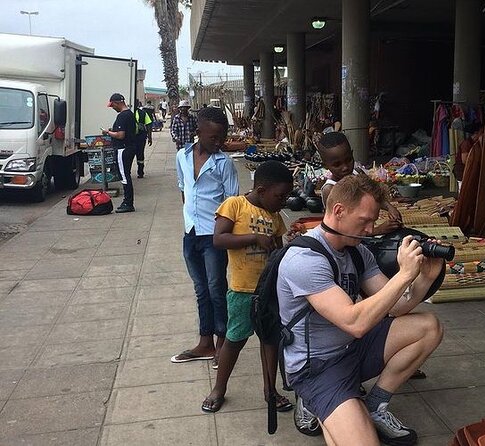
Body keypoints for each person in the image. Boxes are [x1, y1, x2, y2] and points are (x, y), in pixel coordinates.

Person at [278, 174, 444, 446]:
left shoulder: (357, 251)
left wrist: (425, 277)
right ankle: (318, 401)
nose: (370, 229)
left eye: (373, 221)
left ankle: (374, 405)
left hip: (352, 350)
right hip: (319, 367)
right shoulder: (303, 259)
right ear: (339, 211)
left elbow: (397, 306)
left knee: (428, 326)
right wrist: (404, 275)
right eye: (365, 220)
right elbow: (354, 322)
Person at [201, 160, 294, 414]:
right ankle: (219, 388)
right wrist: (253, 237)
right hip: (242, 290)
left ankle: (270, 390)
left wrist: (289, 247)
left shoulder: (274, 216)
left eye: (287, 196)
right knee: (235, 340)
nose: (284, 201)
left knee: (270, 340)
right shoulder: (235, 205)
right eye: (280, 196)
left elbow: (277, 248)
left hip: (268, 291)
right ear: (262, 190)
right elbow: (219, 239)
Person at [171, 107, 239, 368]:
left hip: (214, 237)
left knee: (216, 289)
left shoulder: (224, 164)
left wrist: (224, 235)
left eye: (222, 137)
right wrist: (189, 219)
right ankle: (205, 342)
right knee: (201, 290)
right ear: (198, 133)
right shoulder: (182, 156)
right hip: (191, 233)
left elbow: (232, 204)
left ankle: (223, 342)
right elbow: (183, 188)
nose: (219, 142)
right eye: (213, 138)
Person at [318, 132, 403, 235]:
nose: (345, 167)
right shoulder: (330, 189)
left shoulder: (358, 174)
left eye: (348, 160)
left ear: (352, 154)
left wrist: (390, 208)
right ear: (325, 165)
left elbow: (375, 196)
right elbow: (339, 230)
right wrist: (378, 230)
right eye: (337, 164)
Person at [102, 93, 136, 213]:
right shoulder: (130, 114)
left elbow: (121, 135)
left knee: (124, 176)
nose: (113, 108)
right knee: (125, 174)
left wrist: (108, 132)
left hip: (123, 149)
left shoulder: (122, 116)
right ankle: (128, 201)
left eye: (113, 105)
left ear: (117, 103)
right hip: (130, 147)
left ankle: (128, 202)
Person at [134, 100, 153, 178]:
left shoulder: (143, 113)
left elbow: (148, 125)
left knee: (140, 154)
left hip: (140, 137)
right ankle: (139, 172)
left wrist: (150, 137)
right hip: (132, 138)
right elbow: (149, 125)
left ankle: (140, 172)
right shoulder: (127, 113)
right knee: (138, 154)